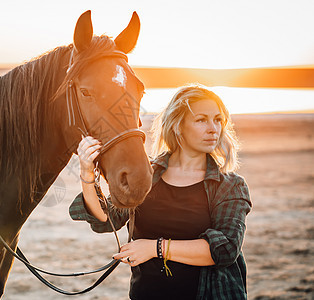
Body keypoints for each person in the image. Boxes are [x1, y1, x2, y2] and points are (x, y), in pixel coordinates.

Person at [69, 83, 252, 299]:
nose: (213, 128)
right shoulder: (148, 176)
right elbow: (106, 219)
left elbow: (225, 249)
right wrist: (87, 172)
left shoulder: (229, 185)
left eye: (218, 119)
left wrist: (154, 248)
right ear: (177, 125)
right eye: (201, 120)